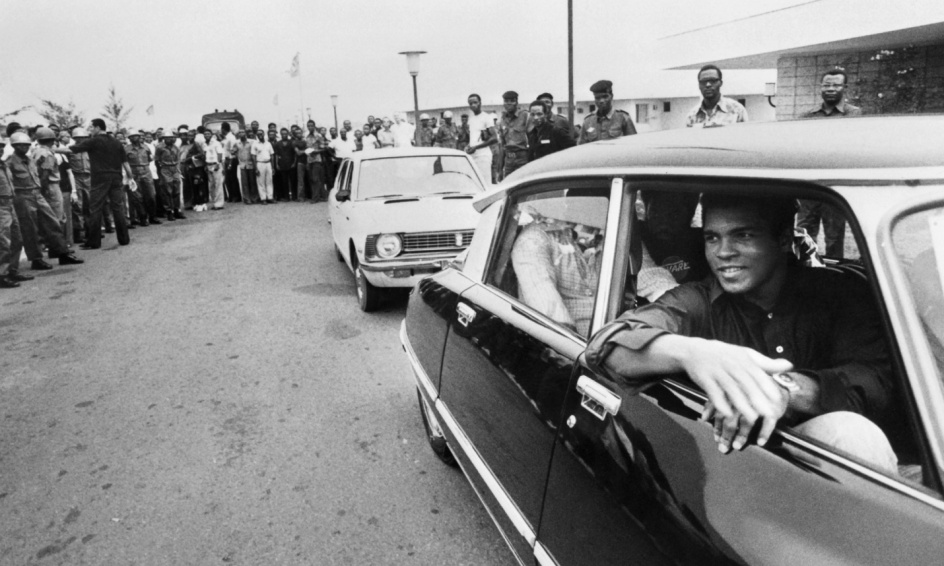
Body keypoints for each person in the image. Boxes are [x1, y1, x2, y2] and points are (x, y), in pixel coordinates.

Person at [585, 193, 898, 473]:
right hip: (732, 468)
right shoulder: (698, 300)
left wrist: (781, 390)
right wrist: (693, 353)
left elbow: (875, 379)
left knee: (852, 434)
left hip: (826, 468)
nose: (723, 252)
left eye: (743, 235)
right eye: (712, 238)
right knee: (852, 433)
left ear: (783, 239)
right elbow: (606, 345)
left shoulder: (836, 294)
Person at [56, 118, 138, 249]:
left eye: (91, 127)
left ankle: (94, 242)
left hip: (100, 178)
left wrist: (52, 150)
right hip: (116, 178)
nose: (90, 130)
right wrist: (131, 178)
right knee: (118, 208)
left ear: (98, 127)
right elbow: (125, 162)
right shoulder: (116, 142)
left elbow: (71, 150)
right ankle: (124, 239)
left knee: (95, 208)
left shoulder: (94, 141)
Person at [10, 132, 84, 265]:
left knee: (53, 222)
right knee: (30, 229)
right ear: (14, 146)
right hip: (23, 195)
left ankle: (62, 253)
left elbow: (39, 175)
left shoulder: (30, 160)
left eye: (26, 145)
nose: (24, 147)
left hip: (37, 193)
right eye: (20, 145)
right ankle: (36, 259)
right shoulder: (10, 163)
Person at [0, 133, 31, 287]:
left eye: (1, 147)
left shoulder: (3, 165)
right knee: (3, 242)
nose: (0, 150)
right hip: (1, 206)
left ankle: (12, 270)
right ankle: (2, 275)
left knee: (16, 239)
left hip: (10, 204)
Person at [578, 80, 636, 144]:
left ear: (612, 96)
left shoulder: (623, 118)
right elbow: (581, 146)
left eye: (605, 97)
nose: (601, 101)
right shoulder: (588, 121)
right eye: (597, 98)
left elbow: (633, 144)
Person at [125, 130, 159, 224]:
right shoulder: (126, 149)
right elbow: (125, 162)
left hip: (146, 171)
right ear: (129, 138)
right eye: (132, 137)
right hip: (134, 173)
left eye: (136, 136)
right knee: (137, 197)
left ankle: (153, 216)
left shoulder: (146, 147)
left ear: (139, 137)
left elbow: (150, 159)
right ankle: (143, 218)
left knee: (151, 195)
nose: (134, 138)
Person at [67, 127, 93, 243]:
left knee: (90, 206)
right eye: (78, 138)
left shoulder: (90, 149)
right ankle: (79, 233)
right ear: (74, 138)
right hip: (76, 178)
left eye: (83, 138)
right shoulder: (70, 150)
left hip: (89, 178)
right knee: (77, 206)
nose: (81, 140)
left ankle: (90, 232)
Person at [464, 93, 498, 184]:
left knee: (485, 184)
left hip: (483, 156)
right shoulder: (471, 119)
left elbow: (494, 138)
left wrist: (476, 147)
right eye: (470, 103)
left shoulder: (487, 117)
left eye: (475, 102)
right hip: (472, 155)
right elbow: (474, 139)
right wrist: (469, 146)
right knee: (474, 183)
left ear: (480, 103)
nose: (473, 105)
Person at [498, 91, 530, 179]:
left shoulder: (525, 116)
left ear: (516, 102)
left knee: (524, 183)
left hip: (522, 158)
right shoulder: (503, 119)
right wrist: (500, 169)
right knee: (509, 184)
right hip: (508, 160)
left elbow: (532, 138)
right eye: (506, 101)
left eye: (512, 101)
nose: (509, 104)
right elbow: (502, 145)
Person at [154, 131, 185, 220]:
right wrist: (160, 172)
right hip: (165, 168)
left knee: (176, 190)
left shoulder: (176, 147)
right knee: (167, 191)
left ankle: (176, 209)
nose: (169, 139)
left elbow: (178, 159)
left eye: (171, 137)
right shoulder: (160, 147)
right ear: (164, 138)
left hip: (174, 168)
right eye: (167, 138)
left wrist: (178, 170)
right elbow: (156, 160)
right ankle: (169, 211)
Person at [203, 129, 225, 210]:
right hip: (208, 165)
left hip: (216, 165)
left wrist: (218, 164)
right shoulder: (204, 144)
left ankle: (219, 204)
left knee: (218, 184)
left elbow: (220, 154)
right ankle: (214, 202)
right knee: (211, 186)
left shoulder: (216, 143)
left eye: (208, 134)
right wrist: (205, 165)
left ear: (211, 135)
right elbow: (205, 154)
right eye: (205, 134)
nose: (207, 135)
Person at [305, 120, 326, 202]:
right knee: (312, 179)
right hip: (309, 159)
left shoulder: (318, 136)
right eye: (308, 126)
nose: (310, 127)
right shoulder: (306, 136)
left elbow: (323, 148)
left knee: (315, 178)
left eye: (311, 126)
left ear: (314, 126)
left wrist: (315, 151)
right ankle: (321, 195)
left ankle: (316, 197)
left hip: (317, 159)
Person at [234, 129, 257, 204]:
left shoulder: (252, 142)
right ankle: (246, 198)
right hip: (242, 164)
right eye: (240, 132)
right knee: (244, 182)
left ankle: (254, 197)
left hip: (251, 163)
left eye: (243, 132)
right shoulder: (237, 143)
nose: (241, 134)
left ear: (246, 133)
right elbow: (233, 151)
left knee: (252, 181)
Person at [253, 130, 275, 204]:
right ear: (257, 135)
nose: (260, 135)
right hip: (260, 163)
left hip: (268, 163)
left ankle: (270, 197)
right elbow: (253, 156)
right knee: (261, 182)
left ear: (264, 134)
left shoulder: (268, 143)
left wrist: (272, 167)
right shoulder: (255, 144)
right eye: (258, 134)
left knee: (269, 181)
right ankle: (263, 198)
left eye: (261, 134)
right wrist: (256, 168)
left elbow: (272, 155)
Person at [274, 129, 296, 201]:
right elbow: (277, 155)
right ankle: (286, 197)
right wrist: (277, 164)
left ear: (287, 134)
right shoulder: (278, 144)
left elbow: (295, 154)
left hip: (291, 163)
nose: (284, 135)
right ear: (281, 134)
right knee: (284, 181)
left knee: (293, 181)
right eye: (283, 134)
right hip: (282, 164)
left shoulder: (291, 143)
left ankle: (294, 196)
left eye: (285, 134)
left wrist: (294, 163)